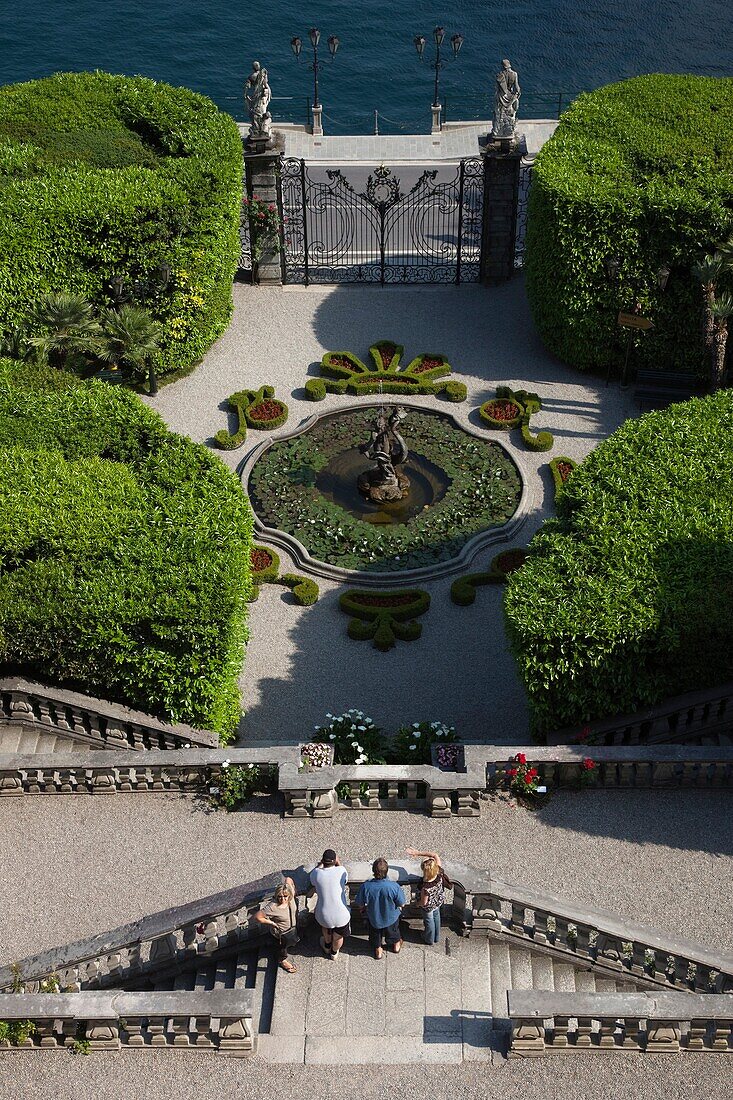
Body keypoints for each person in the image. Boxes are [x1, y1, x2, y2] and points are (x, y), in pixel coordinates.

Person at [355, 857, 405, 959]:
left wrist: (363, 909)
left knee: (375, 934)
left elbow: (360, 903)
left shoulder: (366, 886)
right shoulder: (394, 886)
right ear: (387, 871)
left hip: (374, 917)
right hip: (391, 917)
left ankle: (378, 949)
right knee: (394, 932)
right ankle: (396, 945)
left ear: (373, 871)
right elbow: (402, 903)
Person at [309, 849, 350, 960]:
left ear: (323, 860)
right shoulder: (341, 870)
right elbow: (345, 878)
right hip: (342, 915)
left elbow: (312, 879)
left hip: (324, 914)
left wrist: (320, 865)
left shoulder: (316, 874)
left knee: (326, 929)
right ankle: (334, 952)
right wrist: (339, 863)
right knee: (338, 936)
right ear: (335, 860)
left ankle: (327, 946)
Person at [254, 876, 299, 973]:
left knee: (289, 942)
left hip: (293, 928)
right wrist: (271, 923)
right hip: (281, 934)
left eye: (285, 896)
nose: (283, 899)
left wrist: (291, 885)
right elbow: (258, 916)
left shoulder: (290, 896)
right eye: (280, 896)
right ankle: (282, 961)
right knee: (281, 949)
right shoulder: (272, 907)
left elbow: (288, 879)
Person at [406, 846, 448, 946]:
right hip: (438, 901)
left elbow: (424, 902)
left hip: (429, 907)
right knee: (437, 918)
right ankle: (437, 937)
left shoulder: (425, 887)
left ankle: (429, 939)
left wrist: (417, 904)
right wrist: (418, 852)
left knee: (429, 922)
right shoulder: (439, 872)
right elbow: (434, 855)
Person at [492, 58, 521, 138]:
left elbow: (497, 89)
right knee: (512, 112)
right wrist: (517, 94)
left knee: (498, 113)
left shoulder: (500, 75)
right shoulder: (515, 74)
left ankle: (497, 131)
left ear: (503, 66)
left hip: (502, 96)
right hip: (510, 97)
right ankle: (509, 130)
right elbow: (517, 87)